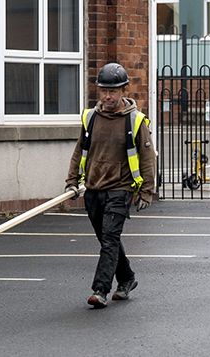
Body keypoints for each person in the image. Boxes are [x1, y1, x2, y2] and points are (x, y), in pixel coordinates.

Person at [65, 62, 156, 308]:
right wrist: (71, 181)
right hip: (94, 189)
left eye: (113, 91)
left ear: (124, 90)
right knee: (107, 239)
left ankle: (100, 290)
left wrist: (147, 191)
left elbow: (148, 158)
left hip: (121, 188)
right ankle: (127, 278)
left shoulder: (135, 121)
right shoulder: (90, 118)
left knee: (109, 238)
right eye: (104, 90)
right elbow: (79, 152)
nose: (107, 96)